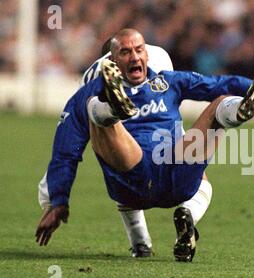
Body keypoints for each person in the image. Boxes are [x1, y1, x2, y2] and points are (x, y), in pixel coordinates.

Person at [35, 28, 254, 262]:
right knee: (94, 112)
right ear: (111, 63)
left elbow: (219, 83)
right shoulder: (88, 91)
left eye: (138, 50)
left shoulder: (168, 81)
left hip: (172, 173)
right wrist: (58, 200)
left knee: (220, 102)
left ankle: (241, 110)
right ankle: (112, 109)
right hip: (132, 173)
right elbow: (66, 147)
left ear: (146, 55)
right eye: (125, 52)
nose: (134, 56)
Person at [42, 37, 212, 259]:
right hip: (159, 137)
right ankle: (187, 211)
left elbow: (69, 147)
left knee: (118, 171)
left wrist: (54, 199)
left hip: (124, 145)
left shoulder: (89, 79)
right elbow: (170, 110)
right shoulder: (156, 55)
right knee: (200, 181)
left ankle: (140, 243)